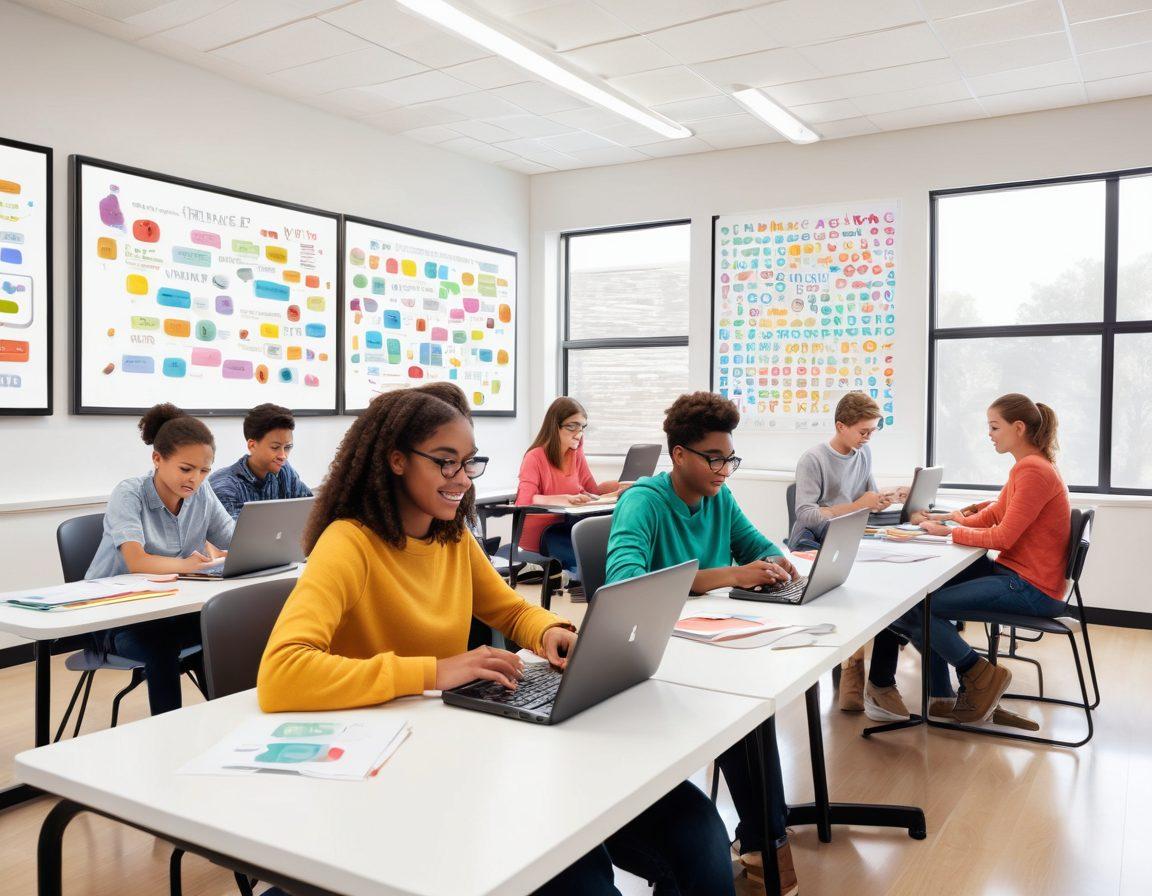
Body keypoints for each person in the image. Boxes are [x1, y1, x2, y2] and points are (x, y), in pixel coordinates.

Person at [257, 383, 734, 896]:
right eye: (445, 463)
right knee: (581, 878)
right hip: (387, 773)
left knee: (698, 827)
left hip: (461, 748)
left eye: (468, 463)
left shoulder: (450, 536)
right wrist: (433, 672)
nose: (462, 480)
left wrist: (548, 631)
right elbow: (282, 673)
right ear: (395, 460)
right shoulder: (348, 543)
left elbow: (507, 608)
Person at [605, 391, 801, 896]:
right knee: (741, 718)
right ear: (679, 456)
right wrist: (728, 575)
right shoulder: (643, 502)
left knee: (751, 712)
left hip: (711, 641)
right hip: (657, 651)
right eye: (714, 459)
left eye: (729, 459)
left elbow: (756, 544)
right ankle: (765, 849)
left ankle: (764, 846)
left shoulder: (719, 498)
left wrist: (778, 563)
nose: (723, 470)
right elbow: (626, 580)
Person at [869, 393, 1071, 728]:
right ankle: (950, 693)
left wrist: (946, 533)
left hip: (1029, 587)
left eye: (994, 427)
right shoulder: (1028, 467)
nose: (989, 434)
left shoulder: (1033, 471)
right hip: (1021, 577)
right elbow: (995, 513)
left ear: (1019, 428)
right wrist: (947, 521)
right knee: (922, 598)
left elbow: (1003, 536)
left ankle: (976, 675)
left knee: (914, 608)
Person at [86, 403, 233, 714]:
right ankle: (170, 735)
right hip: (114, 620)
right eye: (186, 468)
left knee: (224, 626)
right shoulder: (130, 493)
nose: (195, 479)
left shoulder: (200, 494)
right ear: (157, 459)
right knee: (161, 644)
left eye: (204, 470)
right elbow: (136, 561)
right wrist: (188, 565)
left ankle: (230, 719)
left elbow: (233, 538)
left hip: (166, 610)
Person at [789, 391, 909, 719]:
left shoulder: (863, 453)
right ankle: (853, 664)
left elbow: (865, 496)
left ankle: (877, 680)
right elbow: (806, 515)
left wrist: (888, 497)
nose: (868, 438)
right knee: (859, 590)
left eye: (872, 432)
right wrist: (858, 506)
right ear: (841, 426)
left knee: (892, 590)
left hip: (849, 537)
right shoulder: (813, 459)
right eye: (863, 431)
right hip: (812, 542)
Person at [515, 397, 628, 578]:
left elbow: (592, 491)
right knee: (591, 558)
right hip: (543, 536)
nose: (579, 433)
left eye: (582, 427)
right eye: (572, 426)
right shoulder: (534, 457)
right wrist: (562, 498)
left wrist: (618, 487)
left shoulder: (575, 453)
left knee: (606, 543)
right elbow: (524, 501)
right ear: (555, 426)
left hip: (569, 526)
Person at [209, 402, 313, 520]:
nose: (283, 456)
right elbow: (234, 536)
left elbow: (312, 512)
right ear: (252, 445)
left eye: (288, 447)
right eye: (275, 447)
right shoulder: (225, 485)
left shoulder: (285, 471)